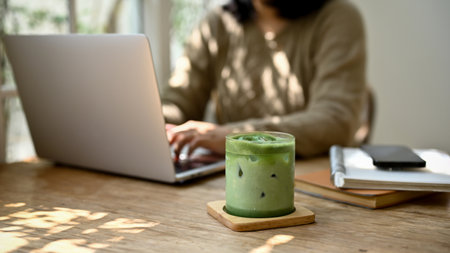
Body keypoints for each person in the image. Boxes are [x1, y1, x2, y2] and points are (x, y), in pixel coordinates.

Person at [163, 0, 366, 159]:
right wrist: (153, 123)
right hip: (229, 181)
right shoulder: (218, 23)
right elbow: (179, 101)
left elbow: (336, 121)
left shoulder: (338, 17)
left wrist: (236, 136)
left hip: (312, 184)